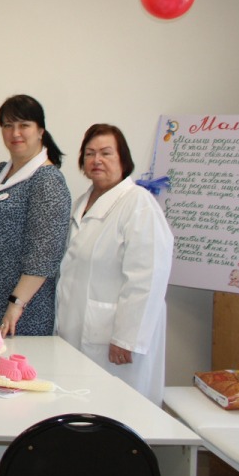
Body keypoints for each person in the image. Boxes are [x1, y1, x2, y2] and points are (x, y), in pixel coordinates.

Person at [56, 124, 173, 404]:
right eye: (90, 153)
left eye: (106, 153)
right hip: (77, 328)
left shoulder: (138, 203)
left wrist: (127, 338)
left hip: (117, 340)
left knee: (121, 407)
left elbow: (148, 276)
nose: (97, 160)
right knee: (83, 403)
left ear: (123, 159)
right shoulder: (81, 203)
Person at [0, 95, 71, 336]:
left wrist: (16, 304)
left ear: (40, 131)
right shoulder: (1, 172)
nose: (15, 133)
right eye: (8, 125)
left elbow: (45, 255)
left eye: (24, 125)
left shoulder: (47, 180)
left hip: (22, 309)